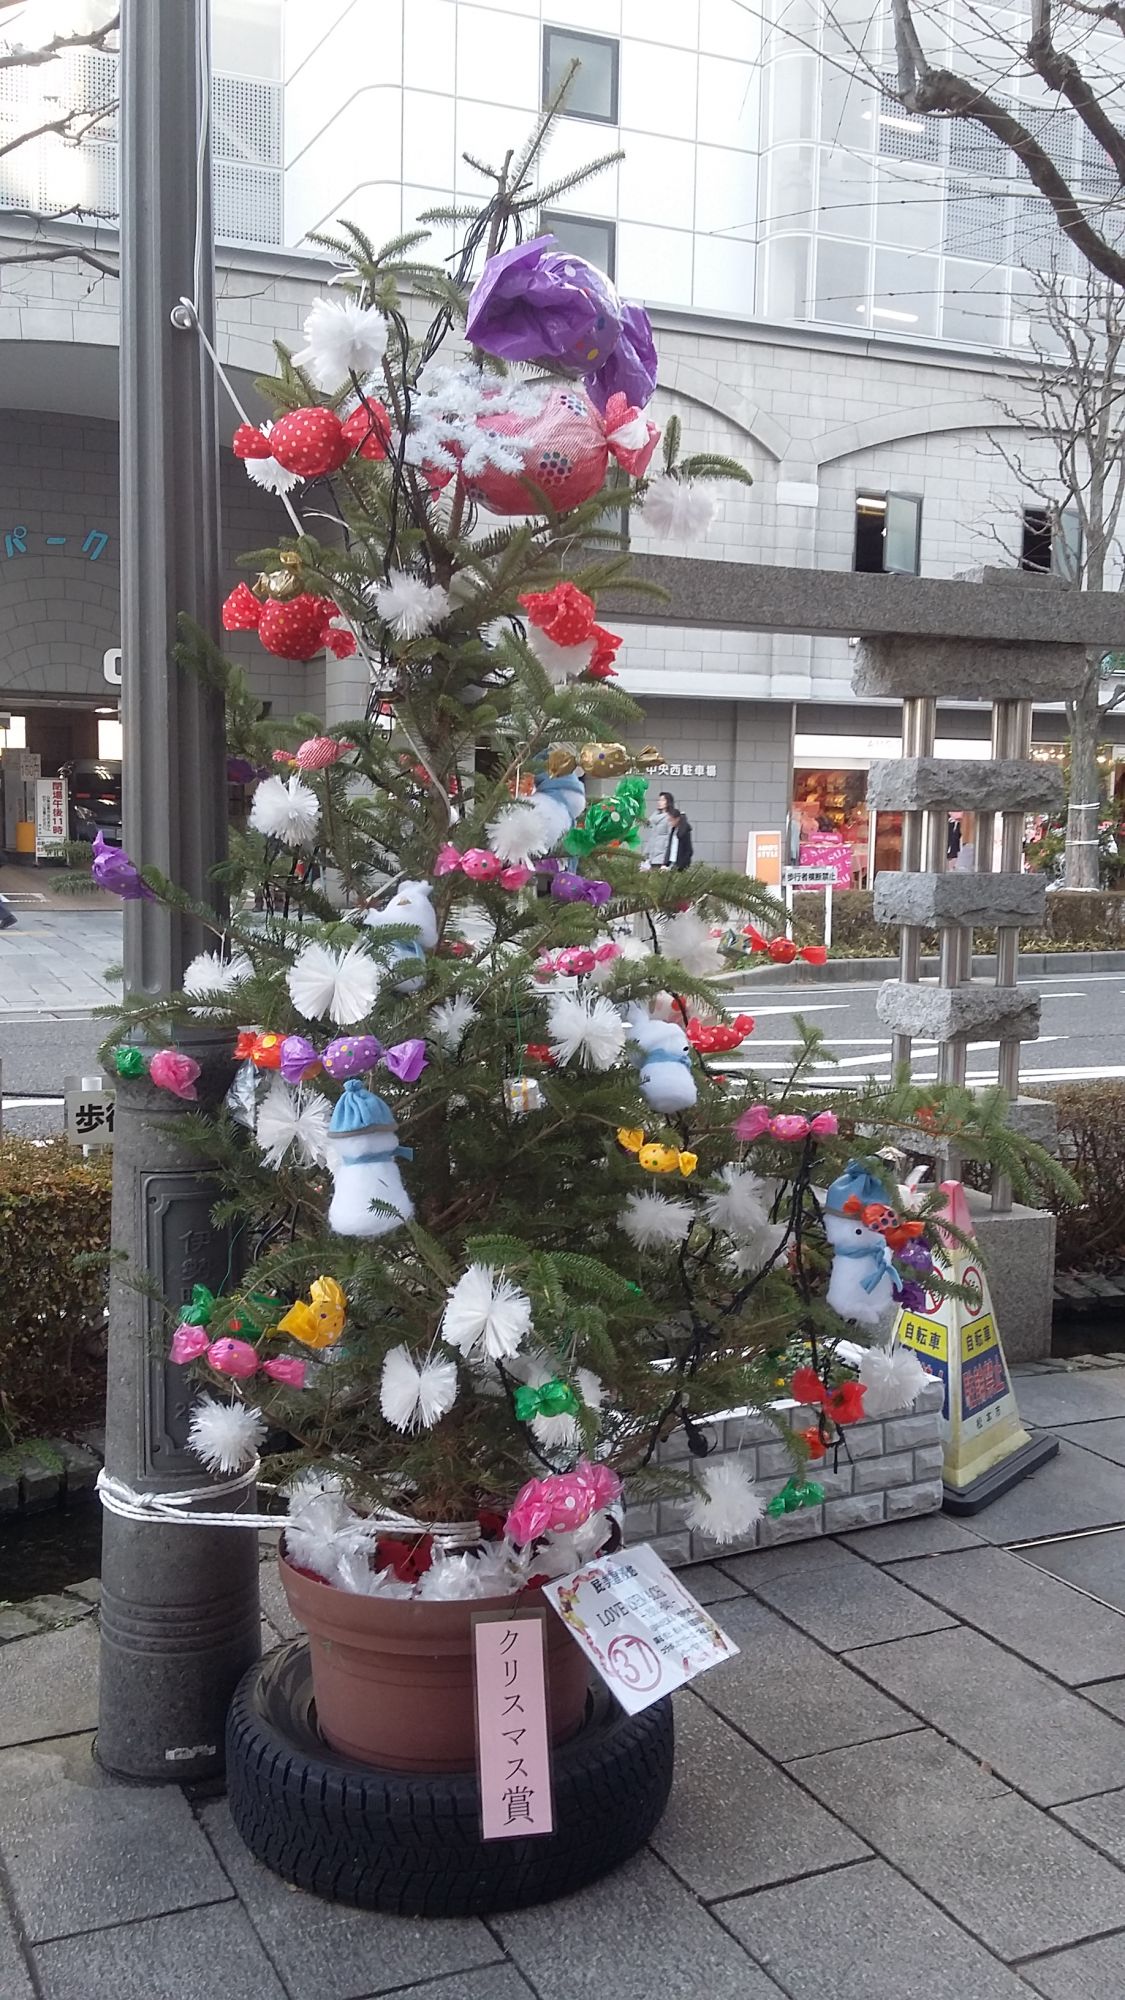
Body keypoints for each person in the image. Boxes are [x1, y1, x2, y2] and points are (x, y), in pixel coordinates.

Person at [643, 790, 674, 867]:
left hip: (662, 855)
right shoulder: (655, 816)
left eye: (663, 800)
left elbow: (671, 837)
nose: (660, 802)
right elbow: (651, 835)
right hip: (651, 854)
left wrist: (667, 858)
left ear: (668, 802)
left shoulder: (670, 817)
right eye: (659, 800)